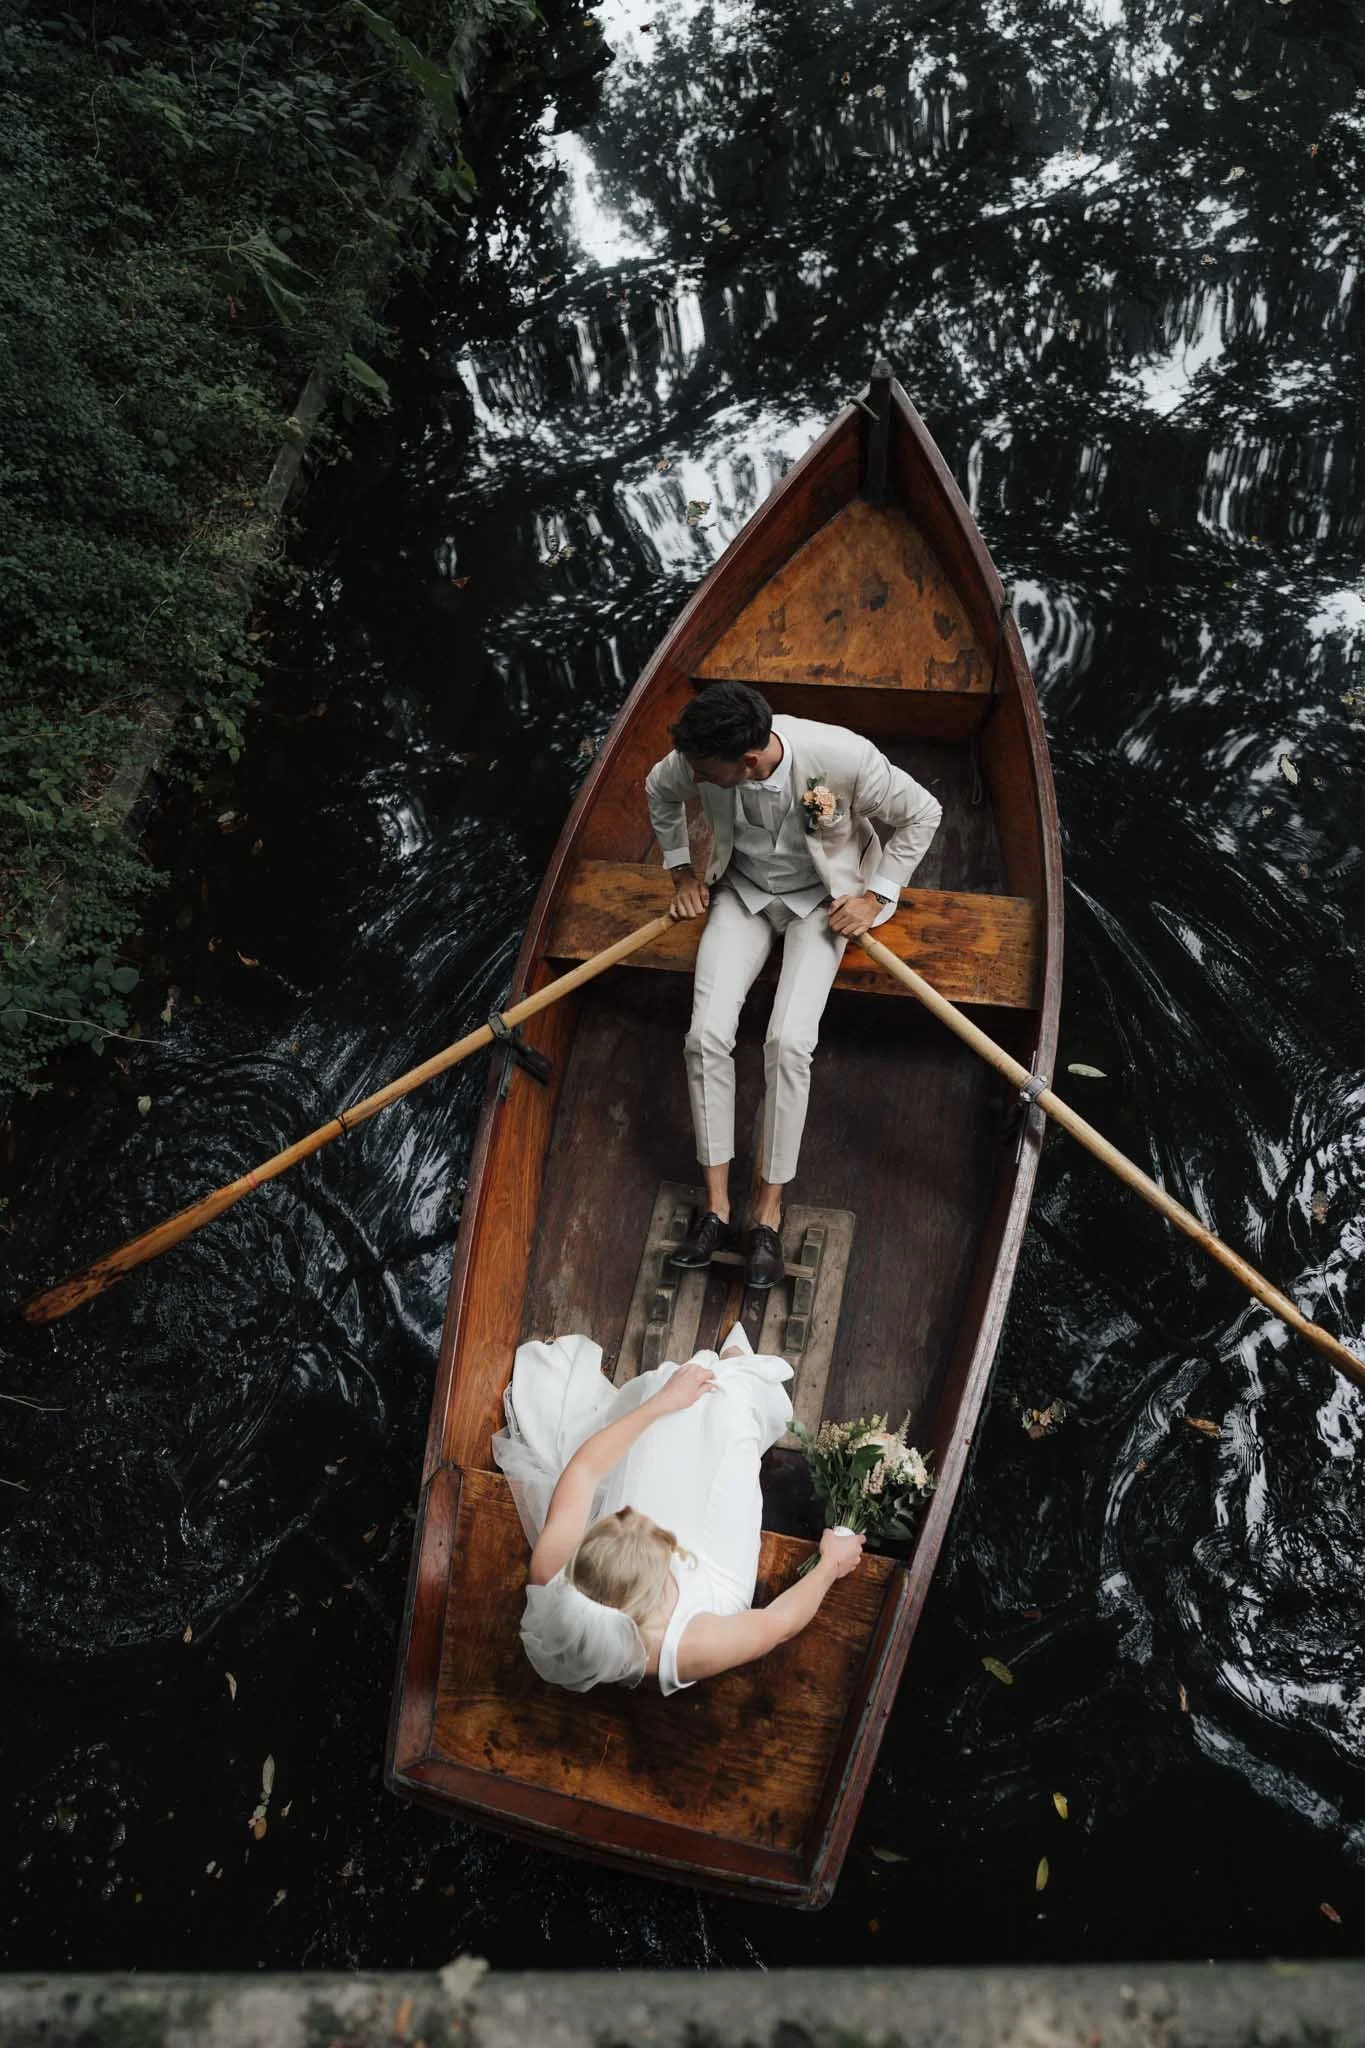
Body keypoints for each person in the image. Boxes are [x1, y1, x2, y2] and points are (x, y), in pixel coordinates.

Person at [645, 680, 942, 1288]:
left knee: (789, 1043)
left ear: (747, 760)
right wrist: (680, 871)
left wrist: (875, 895)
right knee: (705, 1034)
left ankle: (767, 1216)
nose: (692, 777)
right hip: (744, 891)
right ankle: (717, 1208)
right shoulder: (697, 757)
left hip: (821, 902)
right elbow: (659, 791)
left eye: (705, 772)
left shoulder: (842, 758)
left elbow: (923, 812)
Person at [491, 1322, 865, 1693]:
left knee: (677, 1411)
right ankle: (742, 1378)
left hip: (637, 1576)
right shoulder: (690, 1645)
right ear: (657, 1583)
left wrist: (659, 1405)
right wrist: (832, 1563)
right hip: (717, 1574)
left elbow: (586, 1470)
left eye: (620, 1518)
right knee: (726, 1406)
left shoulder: (550, 1570)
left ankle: (724, 1375)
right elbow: (778, 1623)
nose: (637, 1514)